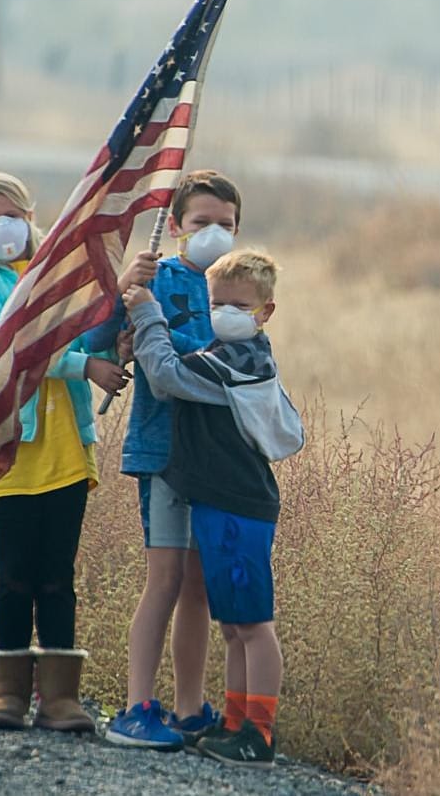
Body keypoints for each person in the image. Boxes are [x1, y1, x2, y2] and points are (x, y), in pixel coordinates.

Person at [0, 172, 131, 732]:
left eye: (11, 214)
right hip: (10, 443)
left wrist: (116, 324)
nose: (2, 227)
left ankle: (59, 700)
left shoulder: (65, 273)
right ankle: (7, 694)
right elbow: (8, 347)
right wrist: (85, 366)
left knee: (57, 576)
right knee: (14, 575)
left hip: (65, 448)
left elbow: (86, 331)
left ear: (30, 215)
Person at [124, 248, 305, 767]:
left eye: (239, 304)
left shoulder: (238, 362)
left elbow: (165, 375)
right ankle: (233, 722)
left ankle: (260, 733)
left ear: (266, 312)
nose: (225, 312)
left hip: (237, 508)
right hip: (220, 504)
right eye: (217, 302)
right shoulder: (226, 353)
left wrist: (147, 315)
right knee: (232, 626)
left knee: (253, 625)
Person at [85, 169, 243, 750]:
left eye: (226, 225)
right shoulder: (158, 278)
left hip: (216, 456)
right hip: (163, 451)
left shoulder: (236, 290)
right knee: (166, 578)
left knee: (200, 585)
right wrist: (125, 290)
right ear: (176, 226)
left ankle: (189, 707)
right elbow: (97, 339)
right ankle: (135, 707)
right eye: (203, 223)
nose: (215, 234)